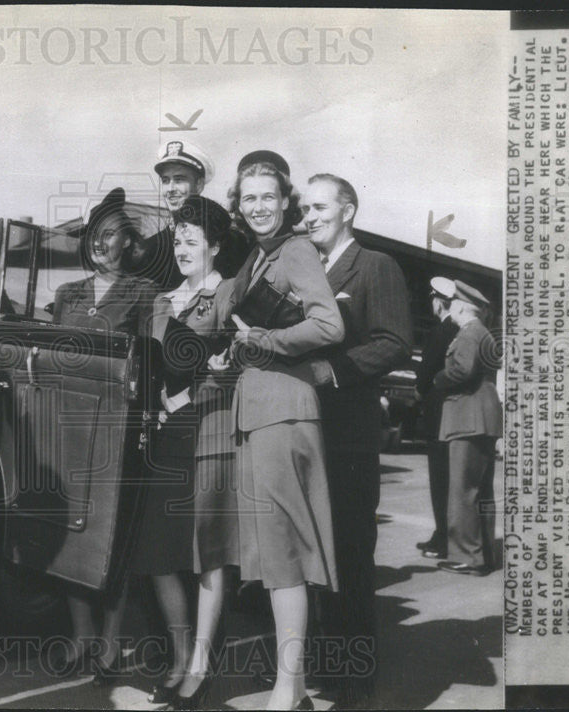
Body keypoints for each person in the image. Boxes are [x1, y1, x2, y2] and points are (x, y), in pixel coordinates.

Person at [224, 152, 344, 711]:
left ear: (285, 200)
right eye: (248, 198)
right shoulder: (256, 257)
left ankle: (285, 688)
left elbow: (328, 323)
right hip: (261, 410)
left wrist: (263, 343)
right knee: (276, 555)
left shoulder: (295, 250)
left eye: (268, 196)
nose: (258, 207)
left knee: (284, 554)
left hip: (283, 410)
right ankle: (292, 687)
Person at [300, 173, 412, 708]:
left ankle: (356, 678)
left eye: (320, 206)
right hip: (303, 432)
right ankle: (326, 665)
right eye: (305, 207)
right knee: (313, 555)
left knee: (350, 553)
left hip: (347, 436)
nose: (309, 216)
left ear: (348, 210)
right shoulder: (305, 269)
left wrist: (332, 373)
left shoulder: (375, 266)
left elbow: (393, 341)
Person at [131, 194, 247, 708]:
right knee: (158, 555)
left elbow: (238, 366)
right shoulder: (160, 300)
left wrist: (185, 396)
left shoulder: (227, 295)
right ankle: (179, 655)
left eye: (192, 240)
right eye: (177, 239)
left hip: (211, 431)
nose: (181, 248)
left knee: (207, 557)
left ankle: (199, 663)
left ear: (215, 246)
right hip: (165, 437)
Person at [50, 187, 158, 682]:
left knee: (112, 537)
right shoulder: (66, 295)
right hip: (69, 428)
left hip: (117, 431)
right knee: (70, 532)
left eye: (110, 233)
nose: (100, 243)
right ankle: (81, 634)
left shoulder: (143, 293)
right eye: (94, 234)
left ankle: (111, 640)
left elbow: (151, 363)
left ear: (127, 242)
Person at [433, 280, 502, 576]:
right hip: (483, 417)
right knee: (482, 491)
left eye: (451, 305)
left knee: (462, 490)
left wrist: (438, 379)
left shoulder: (469, 332)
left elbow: (462, 369)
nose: (450, 310)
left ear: (460, 306)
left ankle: (466, 556)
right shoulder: (482, 332)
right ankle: (484, 552)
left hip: (467, 416)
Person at [414, 277, 460, 561]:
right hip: (452, 413)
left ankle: (442, 536)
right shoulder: (457, 330)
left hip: (436, 412)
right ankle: (448, 534)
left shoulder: (439, 331)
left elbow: (425, 371)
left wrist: (419, 390)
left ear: (437, 300)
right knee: (451, 479)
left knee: (440, 479)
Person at [127, 140, 214, 290]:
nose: (171, 189)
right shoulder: (151, 250)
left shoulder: (226, 243)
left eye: (179, 180)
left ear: (199, 185)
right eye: (166, 181)